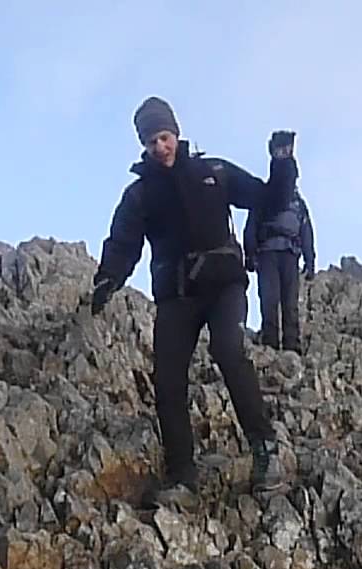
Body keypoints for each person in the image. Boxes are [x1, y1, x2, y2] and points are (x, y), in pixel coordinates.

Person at [89, 96, 298, 502]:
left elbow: (268, 198)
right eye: (151, 142)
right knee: (167, 379)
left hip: (224, 287)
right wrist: (106, 282)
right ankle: (182, 476)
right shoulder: (140, 195)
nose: (159, 148)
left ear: (176, 134)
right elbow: (122, 243)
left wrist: (282, 162)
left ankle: (265, 450)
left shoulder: (213, 172)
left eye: (163, 137)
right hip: (177, 297)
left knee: (228, 351)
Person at [243, 185, 315, 352]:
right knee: (272, 300)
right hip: (269, 254)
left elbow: (306, 232)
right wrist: (250, 254)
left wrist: (310, 259)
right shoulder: (270, 198)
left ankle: (287, 345)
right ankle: (275, 343)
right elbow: (251, 227)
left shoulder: (298, 204)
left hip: (286, 254)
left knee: (286, 302)